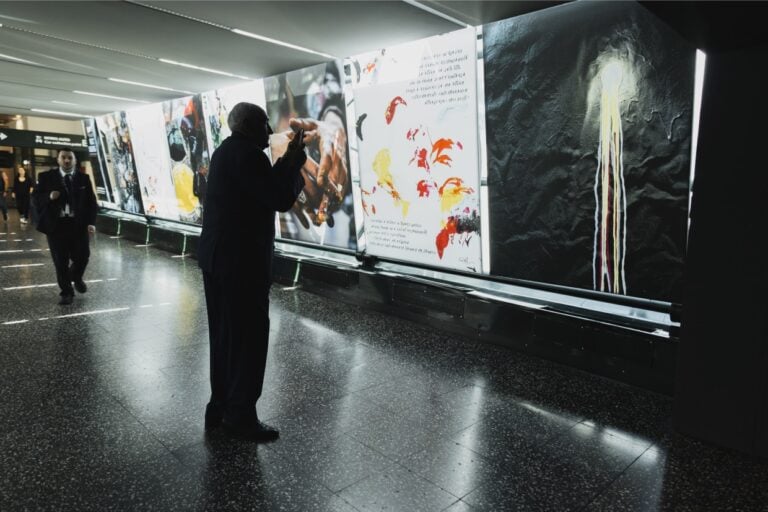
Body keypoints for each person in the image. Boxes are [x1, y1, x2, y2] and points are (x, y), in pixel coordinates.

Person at [198, 102, 306, 441]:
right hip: (241, 264)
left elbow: (255, 192)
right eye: (264, 123)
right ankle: (240, 416)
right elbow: (277, 197)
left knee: (224, 336)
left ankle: (220, 407)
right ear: (248, 126)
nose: (268, 129)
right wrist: (293, 162)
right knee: (248, 339)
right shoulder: (249, 155)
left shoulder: (223, 152)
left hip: (217, 260)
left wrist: (287, 160)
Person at [33, 148, 98, 305]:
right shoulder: (46, 177)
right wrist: (49, 196)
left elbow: (91, 202)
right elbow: (35, 198)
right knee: (60, 261)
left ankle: (76, 276)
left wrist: (91, 222)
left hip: (78, 225)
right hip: (57, 226)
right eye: (63, 157)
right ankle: (66, 292)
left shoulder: (83, 178)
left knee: (83, 256)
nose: (67, 160)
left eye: (70, 158)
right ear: (58, 160)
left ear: (75, 160)